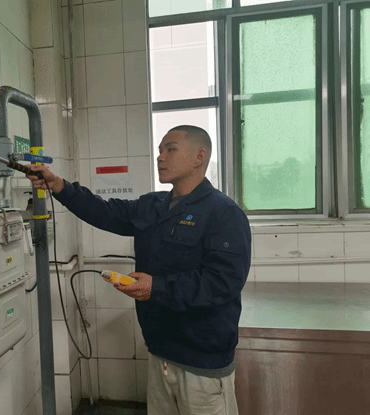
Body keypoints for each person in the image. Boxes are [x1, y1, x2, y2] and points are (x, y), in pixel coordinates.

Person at [26, 125, 251, 415]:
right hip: (160, 353)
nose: (160, 157)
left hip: (202, 362)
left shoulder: (224, 213)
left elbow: (223, 283)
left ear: (199, 156)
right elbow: (104, 211)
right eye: (160, 150)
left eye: (170, 149)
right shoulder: (154, 205)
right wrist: (59, 186)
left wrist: (156, 287)